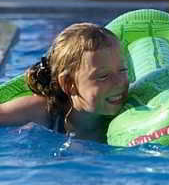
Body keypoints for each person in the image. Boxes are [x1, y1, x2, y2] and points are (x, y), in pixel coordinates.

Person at [0, 23, 128, 142]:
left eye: (122, 70)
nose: (119, 82)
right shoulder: (43, 111)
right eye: (103, 76)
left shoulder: (128, 113)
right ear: (68, 83)